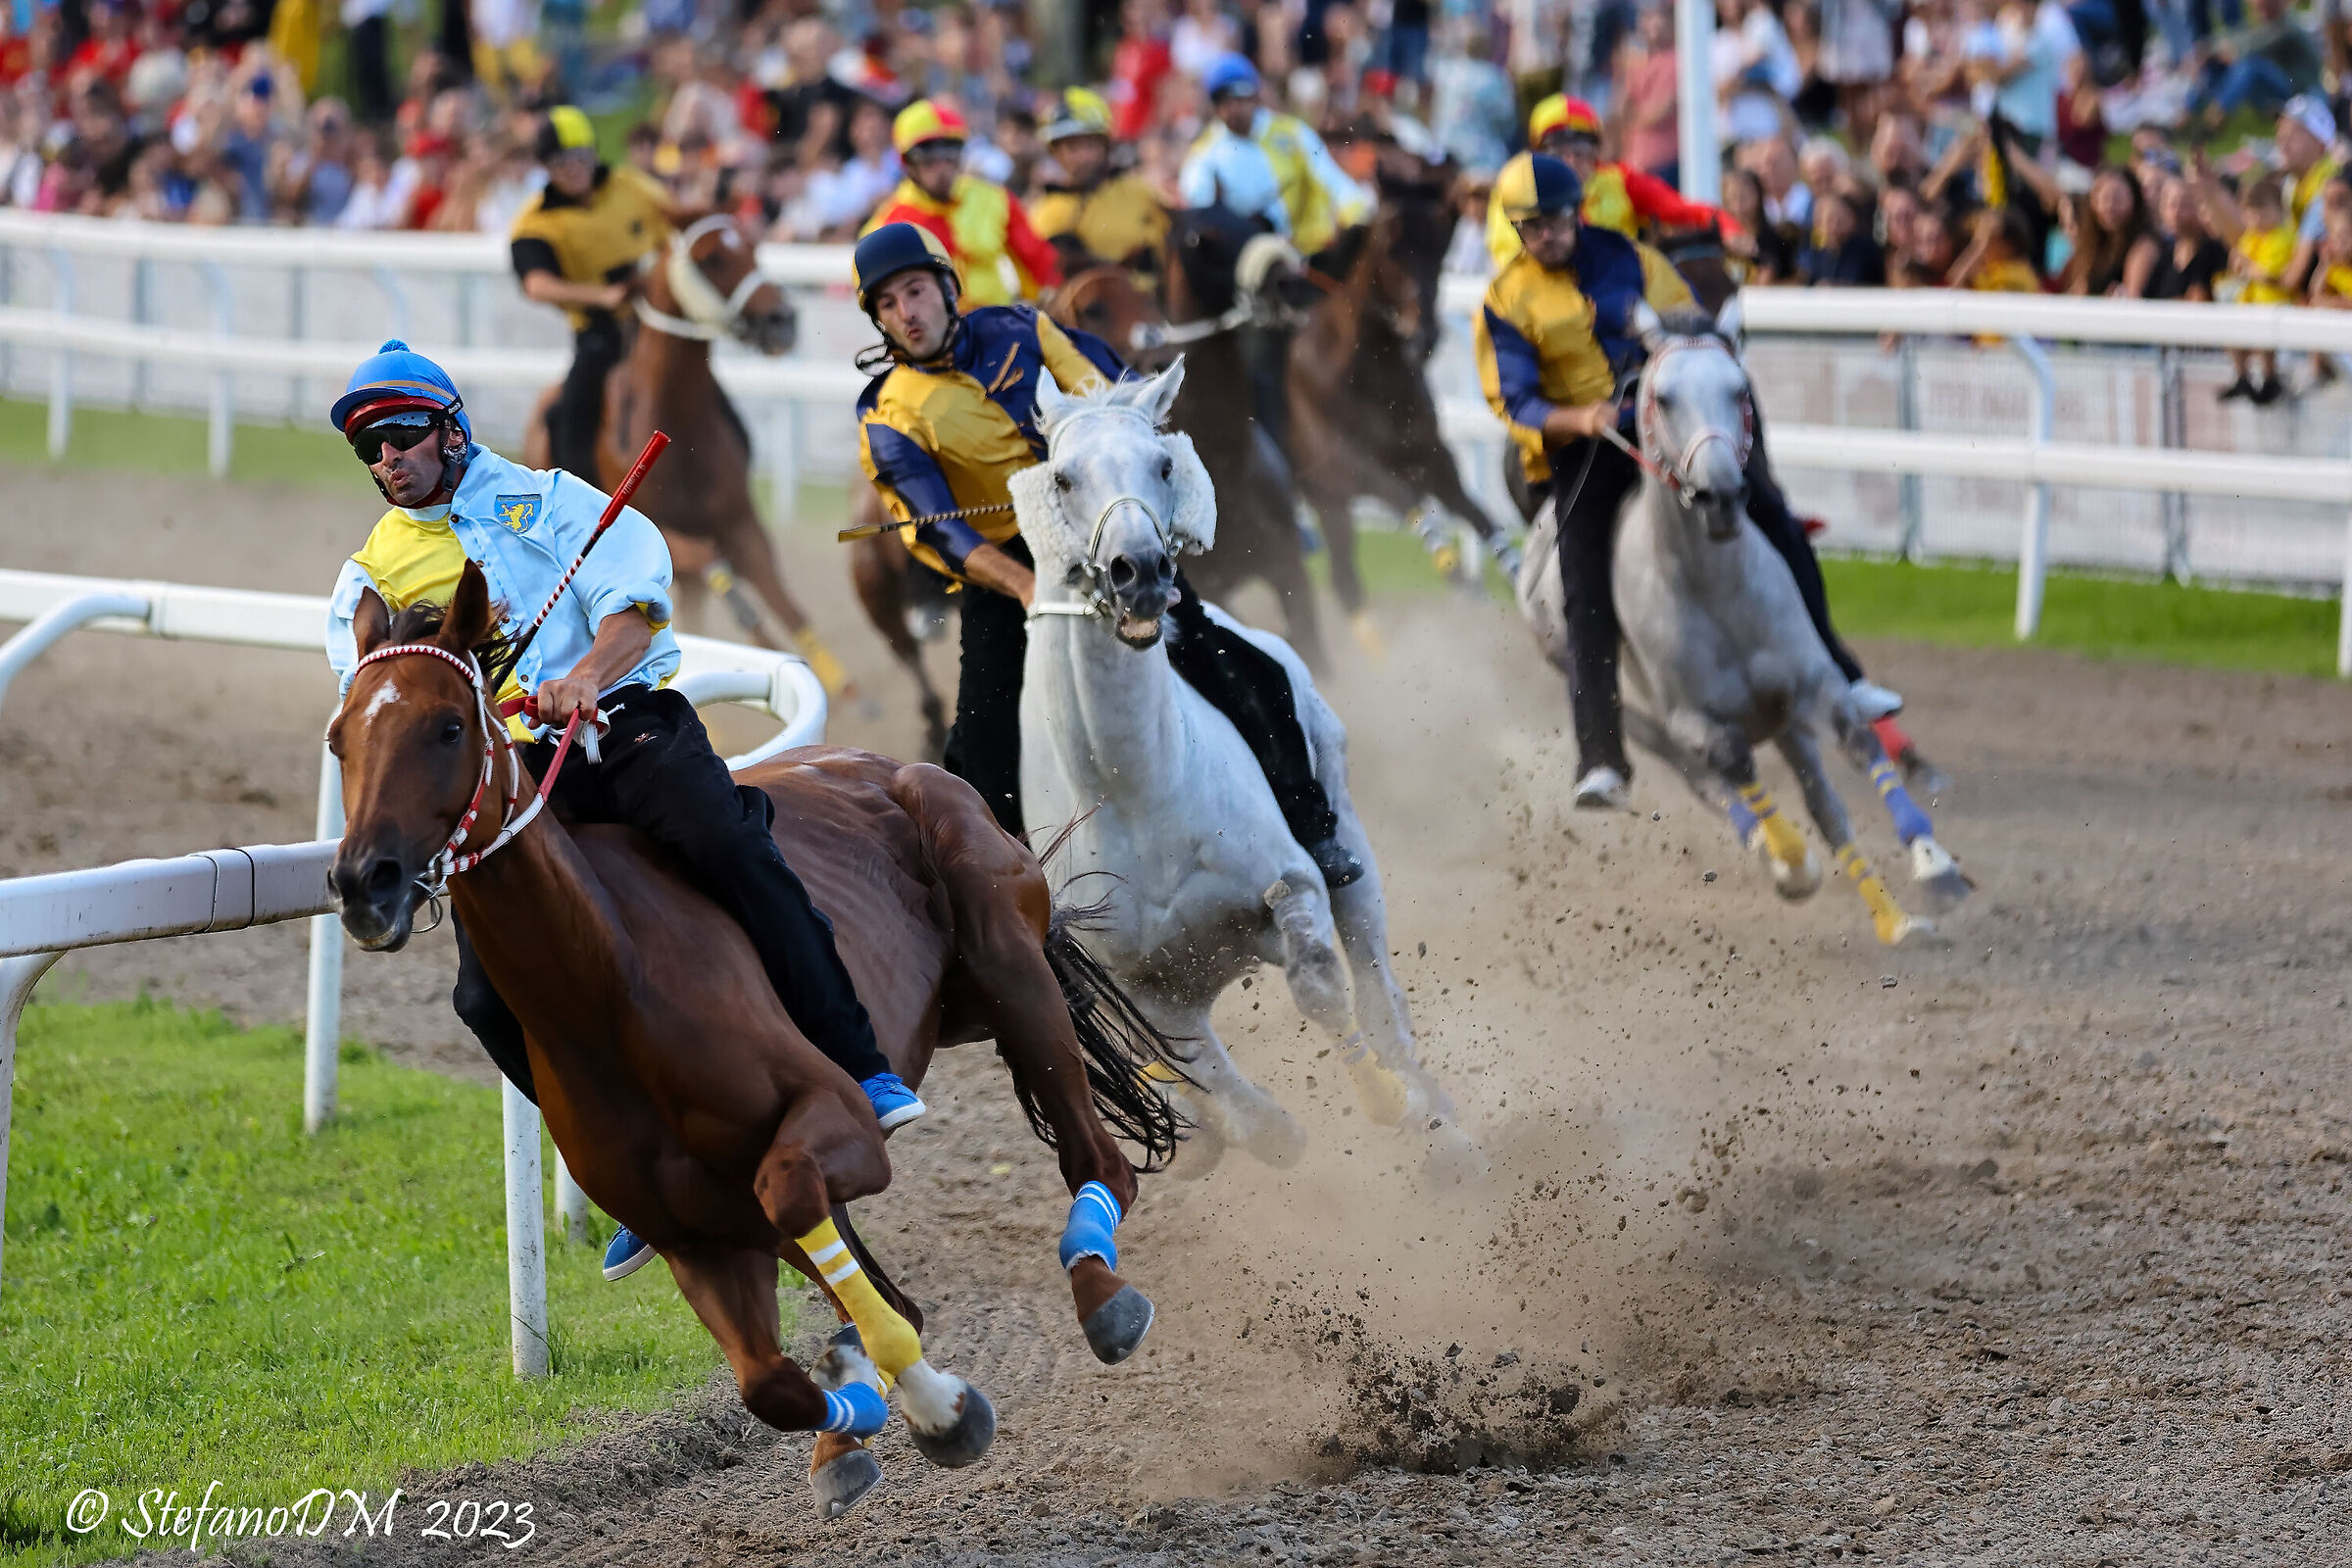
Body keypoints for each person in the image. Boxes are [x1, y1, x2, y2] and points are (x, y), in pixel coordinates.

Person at [322, 341, 925, 1286]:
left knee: (727, 841)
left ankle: (859, 1060)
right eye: (371, 449)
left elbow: (632, 613)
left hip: (626, 727)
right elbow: (380, 698)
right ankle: (631, 1172)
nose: (387, 459)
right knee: (480, 998)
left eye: (401, 436)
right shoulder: (370, 575)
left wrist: (583, 676)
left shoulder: (556, 503)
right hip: (516, 777)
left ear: (450, 430)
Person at [849, 221, 1365, 889]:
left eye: (916, 291)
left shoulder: (1023, 328)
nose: (907, 313)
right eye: (888, 305)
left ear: (947, 288)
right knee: (979, 746)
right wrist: (1027, 587)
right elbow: (941, 534)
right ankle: (1003, 911)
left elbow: (1111, 406)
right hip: (1006, 571)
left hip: (1103, 530)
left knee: (1234, 666)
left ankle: (1311, 827)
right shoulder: (885, 414)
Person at [1472, 157, 1900, 810]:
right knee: (1584, 591)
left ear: (1576, 212)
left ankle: (1845, 676)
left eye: (1554, 220)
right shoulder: (1506, 299)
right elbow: (1513, 399)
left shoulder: (1631, 259)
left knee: (1774, 517)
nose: (1546, 235)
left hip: (1666, 424)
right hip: (1586, 449)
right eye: (1531, 227)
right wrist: (1580, 417)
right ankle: (1602, 759)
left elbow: (1693, 327)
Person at [509, 105, 687, 484]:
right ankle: (577, 493)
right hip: (600, 333)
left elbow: (677, 221)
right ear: (546, 167)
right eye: (562, 162)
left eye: (581, 157)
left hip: (660, 322)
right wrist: (602, 296)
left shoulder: (631, 185)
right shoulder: (536, 221)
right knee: (571, 413)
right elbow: (536, 284)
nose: (575, 168)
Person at [1486, 94, 1746, 270]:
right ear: (1537, 153)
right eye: (1558, 152)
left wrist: (1728, 227)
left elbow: (1684, 210)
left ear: (1596, 152)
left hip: (1615, 301)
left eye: (1581, 151)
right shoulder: (1514, 188)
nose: (1571, 161)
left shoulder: (1621, 181)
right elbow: (1508, 255)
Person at [863, 98, 1062, 307]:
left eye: (950, 153)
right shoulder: (888, 225)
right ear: (908, 162)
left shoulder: (995, 199)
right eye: (928, 157)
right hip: (932, 325)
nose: (942, 167)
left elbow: (1039, 263)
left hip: (996, 319)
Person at [1178, 52, 1371, 259]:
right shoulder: (1205, 151)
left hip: (1312, 251)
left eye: (1241, 99)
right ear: (1215, 107)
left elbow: (1334, 183)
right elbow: (1200, 206)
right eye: (1225, 102)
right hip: (1250, 257)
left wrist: (1360, 219)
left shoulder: (1293, 133)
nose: (1235, 109)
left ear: (1255, 97)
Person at [1029, 86, 1169, 275]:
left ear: (1105, 146)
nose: (1083, 157)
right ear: (1055, 152)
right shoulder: (1045, 214)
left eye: (1089, 145)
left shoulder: (1139, 194)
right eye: (1072, 147)